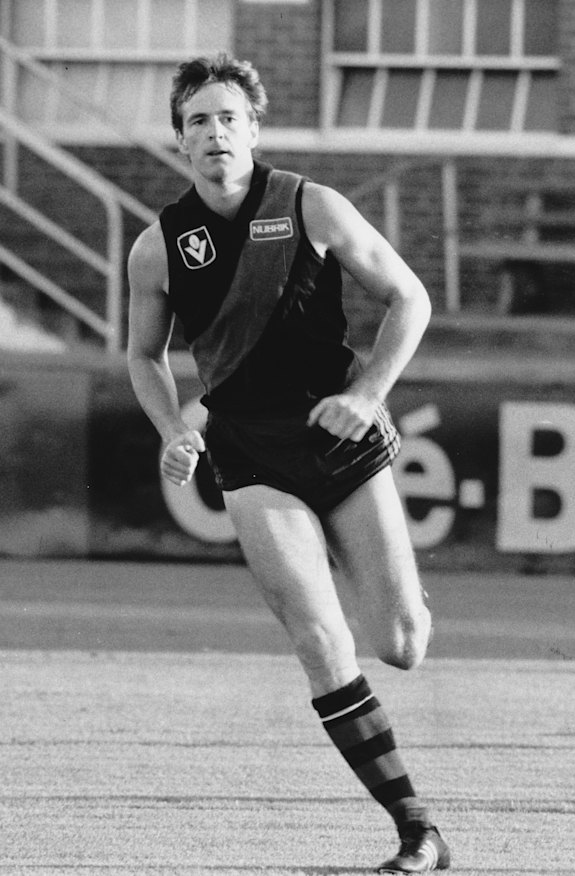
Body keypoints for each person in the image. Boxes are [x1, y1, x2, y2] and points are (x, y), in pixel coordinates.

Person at [127, 53, 451, 874]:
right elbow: (143, 355)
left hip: (340, 440)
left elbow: (409, 297)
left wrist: (371, 393)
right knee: (318, 638)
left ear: (254, 128)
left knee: (402, 643)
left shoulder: (312, 205)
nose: (214, 133)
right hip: (249, 455)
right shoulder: (158, 247)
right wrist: (171, 427)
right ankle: (418, 833)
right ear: (180, 140)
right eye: (197, 120)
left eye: (228, 117)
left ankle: (390, 578)